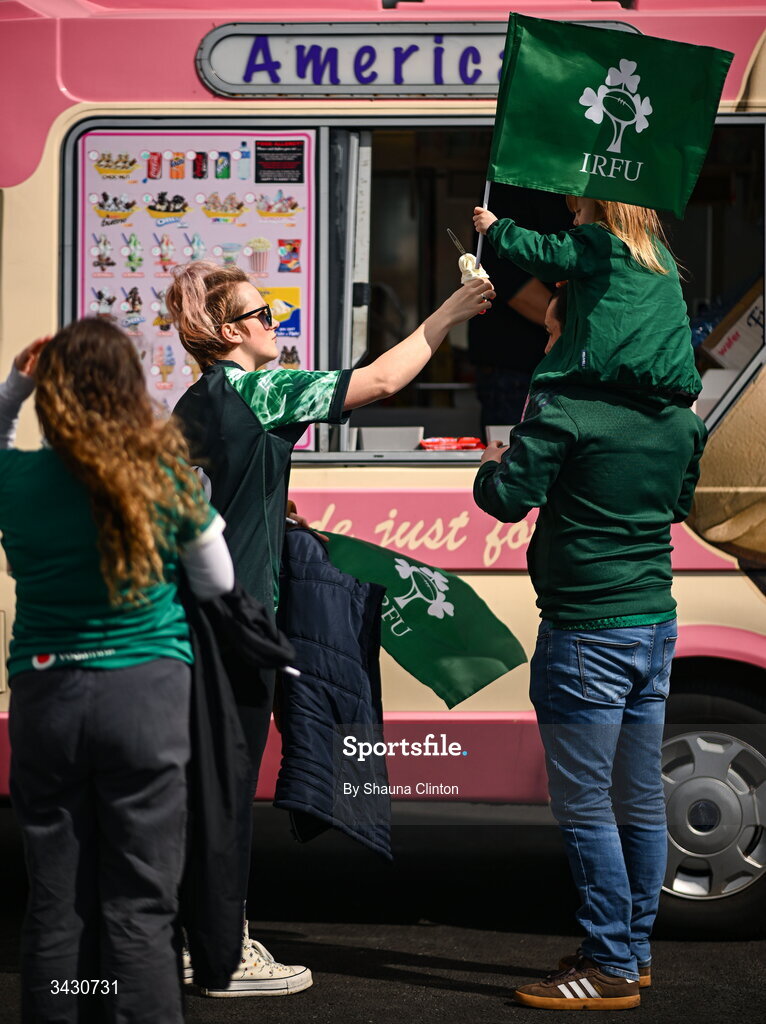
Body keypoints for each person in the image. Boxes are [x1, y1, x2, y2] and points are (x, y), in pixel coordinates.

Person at [165, 260, 494, 997]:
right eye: (265, 315)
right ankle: (223, 955)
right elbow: (377, 381)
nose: (275, 325)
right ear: (230, 333)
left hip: (188, 623)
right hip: (234, 625)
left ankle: (193, 940)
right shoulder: (259, 390)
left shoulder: (193, 402)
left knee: (201, 789)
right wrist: (450, 312)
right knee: (225, 794)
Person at [472, 196, 707, 1010]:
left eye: (552, 323)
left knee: (583, 810)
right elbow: (676, 506)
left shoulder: (565, 407)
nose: (547, 332)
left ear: (575, 328)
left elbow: (506, 500)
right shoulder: (680, 421)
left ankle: (607, 966)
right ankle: (633, 951)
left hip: (584, 630)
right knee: (640, 801)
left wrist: (493, 459)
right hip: (654, 621)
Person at [1, 320, 235, 1023]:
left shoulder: (17, 478)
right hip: (146, 697)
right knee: (140, 900)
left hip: (47, 696)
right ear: (131, 388)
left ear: (55, 395)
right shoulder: (163, 474)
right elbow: (218, 583)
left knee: (56, 899)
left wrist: (17, 382)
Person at [468, 185, 569, 431]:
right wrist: (575, 332)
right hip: (516, 368)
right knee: (513, 458)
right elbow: (512, 284)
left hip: (550, 365)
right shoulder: (512, 190)